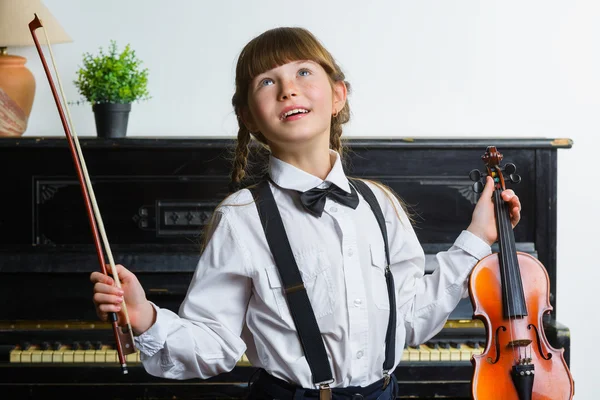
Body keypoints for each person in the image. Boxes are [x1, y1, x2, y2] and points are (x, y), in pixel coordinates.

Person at [90, 27, 521, 400]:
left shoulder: (380, 205)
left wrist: (477, 237)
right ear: (249, 117)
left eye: (303, 72)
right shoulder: (241, 219)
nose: (287, 89)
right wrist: (145, 317)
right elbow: (216, 344)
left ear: (337, 95)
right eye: (266, 81)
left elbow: (409, 320)